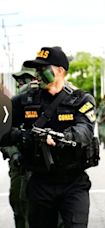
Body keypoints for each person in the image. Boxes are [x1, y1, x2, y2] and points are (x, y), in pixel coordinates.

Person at [1, 46, 97, 228]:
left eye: (43, 69)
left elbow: (85, 130)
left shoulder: (80, 100)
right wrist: (25, 137)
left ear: (60, 71)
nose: (38, 73)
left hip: (73, 181)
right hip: (39, 181)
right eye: (37, 69)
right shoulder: (26, 100)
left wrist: (64, 137)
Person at [0, 65, 37, 228]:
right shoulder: (13, 106)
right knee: (20, 206)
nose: (22, 83)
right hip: (20, 165)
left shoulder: (55, 102)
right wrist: (14, 153)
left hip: (47, 167)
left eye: (26, 78)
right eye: (20, 80)